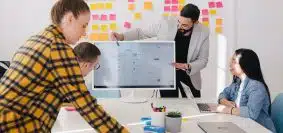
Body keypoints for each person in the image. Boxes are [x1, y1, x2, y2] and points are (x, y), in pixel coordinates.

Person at [0, 0, 128, 132]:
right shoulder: (57, 47)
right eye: (83, 26)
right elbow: (86, 106)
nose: (84, 33)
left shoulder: (36, 39)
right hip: (13, 126)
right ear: (70, 19)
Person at [111, 3, 209, 98]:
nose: (179, 27)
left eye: (185, 25)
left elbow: (203, 60)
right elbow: (141, 33)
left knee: (194, 106)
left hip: (188, 73)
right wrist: (122, 36)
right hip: (167, 73)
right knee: (169, 106)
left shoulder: (203, 32)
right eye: (179, 22)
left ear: (195, 22)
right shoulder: (165, 23)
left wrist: (186, 66)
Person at [211, 49, 276, 133]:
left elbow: (251, 113)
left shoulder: (256, 86)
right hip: (243, 126)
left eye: (234, 61)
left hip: (260, 129)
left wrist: (226, 109)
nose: (230, 64)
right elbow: (223, 94)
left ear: (245, 64)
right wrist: (224, 101)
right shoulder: (238, 82)